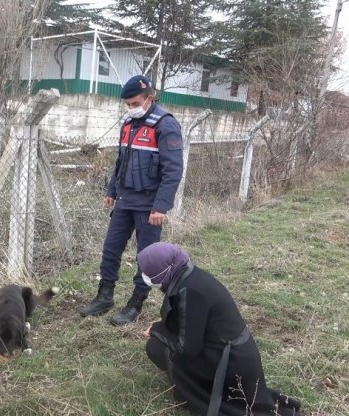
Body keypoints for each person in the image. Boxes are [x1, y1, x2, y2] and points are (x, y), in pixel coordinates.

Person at [139, 242, 302, 416]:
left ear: (165, 271)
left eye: (149, 273)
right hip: (239, 355)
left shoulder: (190, 292)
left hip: (231, 364)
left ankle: (197, 390)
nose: (145, 277)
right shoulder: (191, 275)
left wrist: (156, 330)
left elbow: (187, 348)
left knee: (155, 347)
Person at [81, 75, 184, 325]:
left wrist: (161, 206)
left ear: (150, 98)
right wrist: (110, 190)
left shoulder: (165, 125)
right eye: (127, 104)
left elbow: (173, 170)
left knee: (146, 257)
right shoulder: (128, 124)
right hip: (125, 201)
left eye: (135, 103)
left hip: (150, 206)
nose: (130, 108)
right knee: (111, 249)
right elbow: (121, 162)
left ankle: (135, 304)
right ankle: (105, 296)